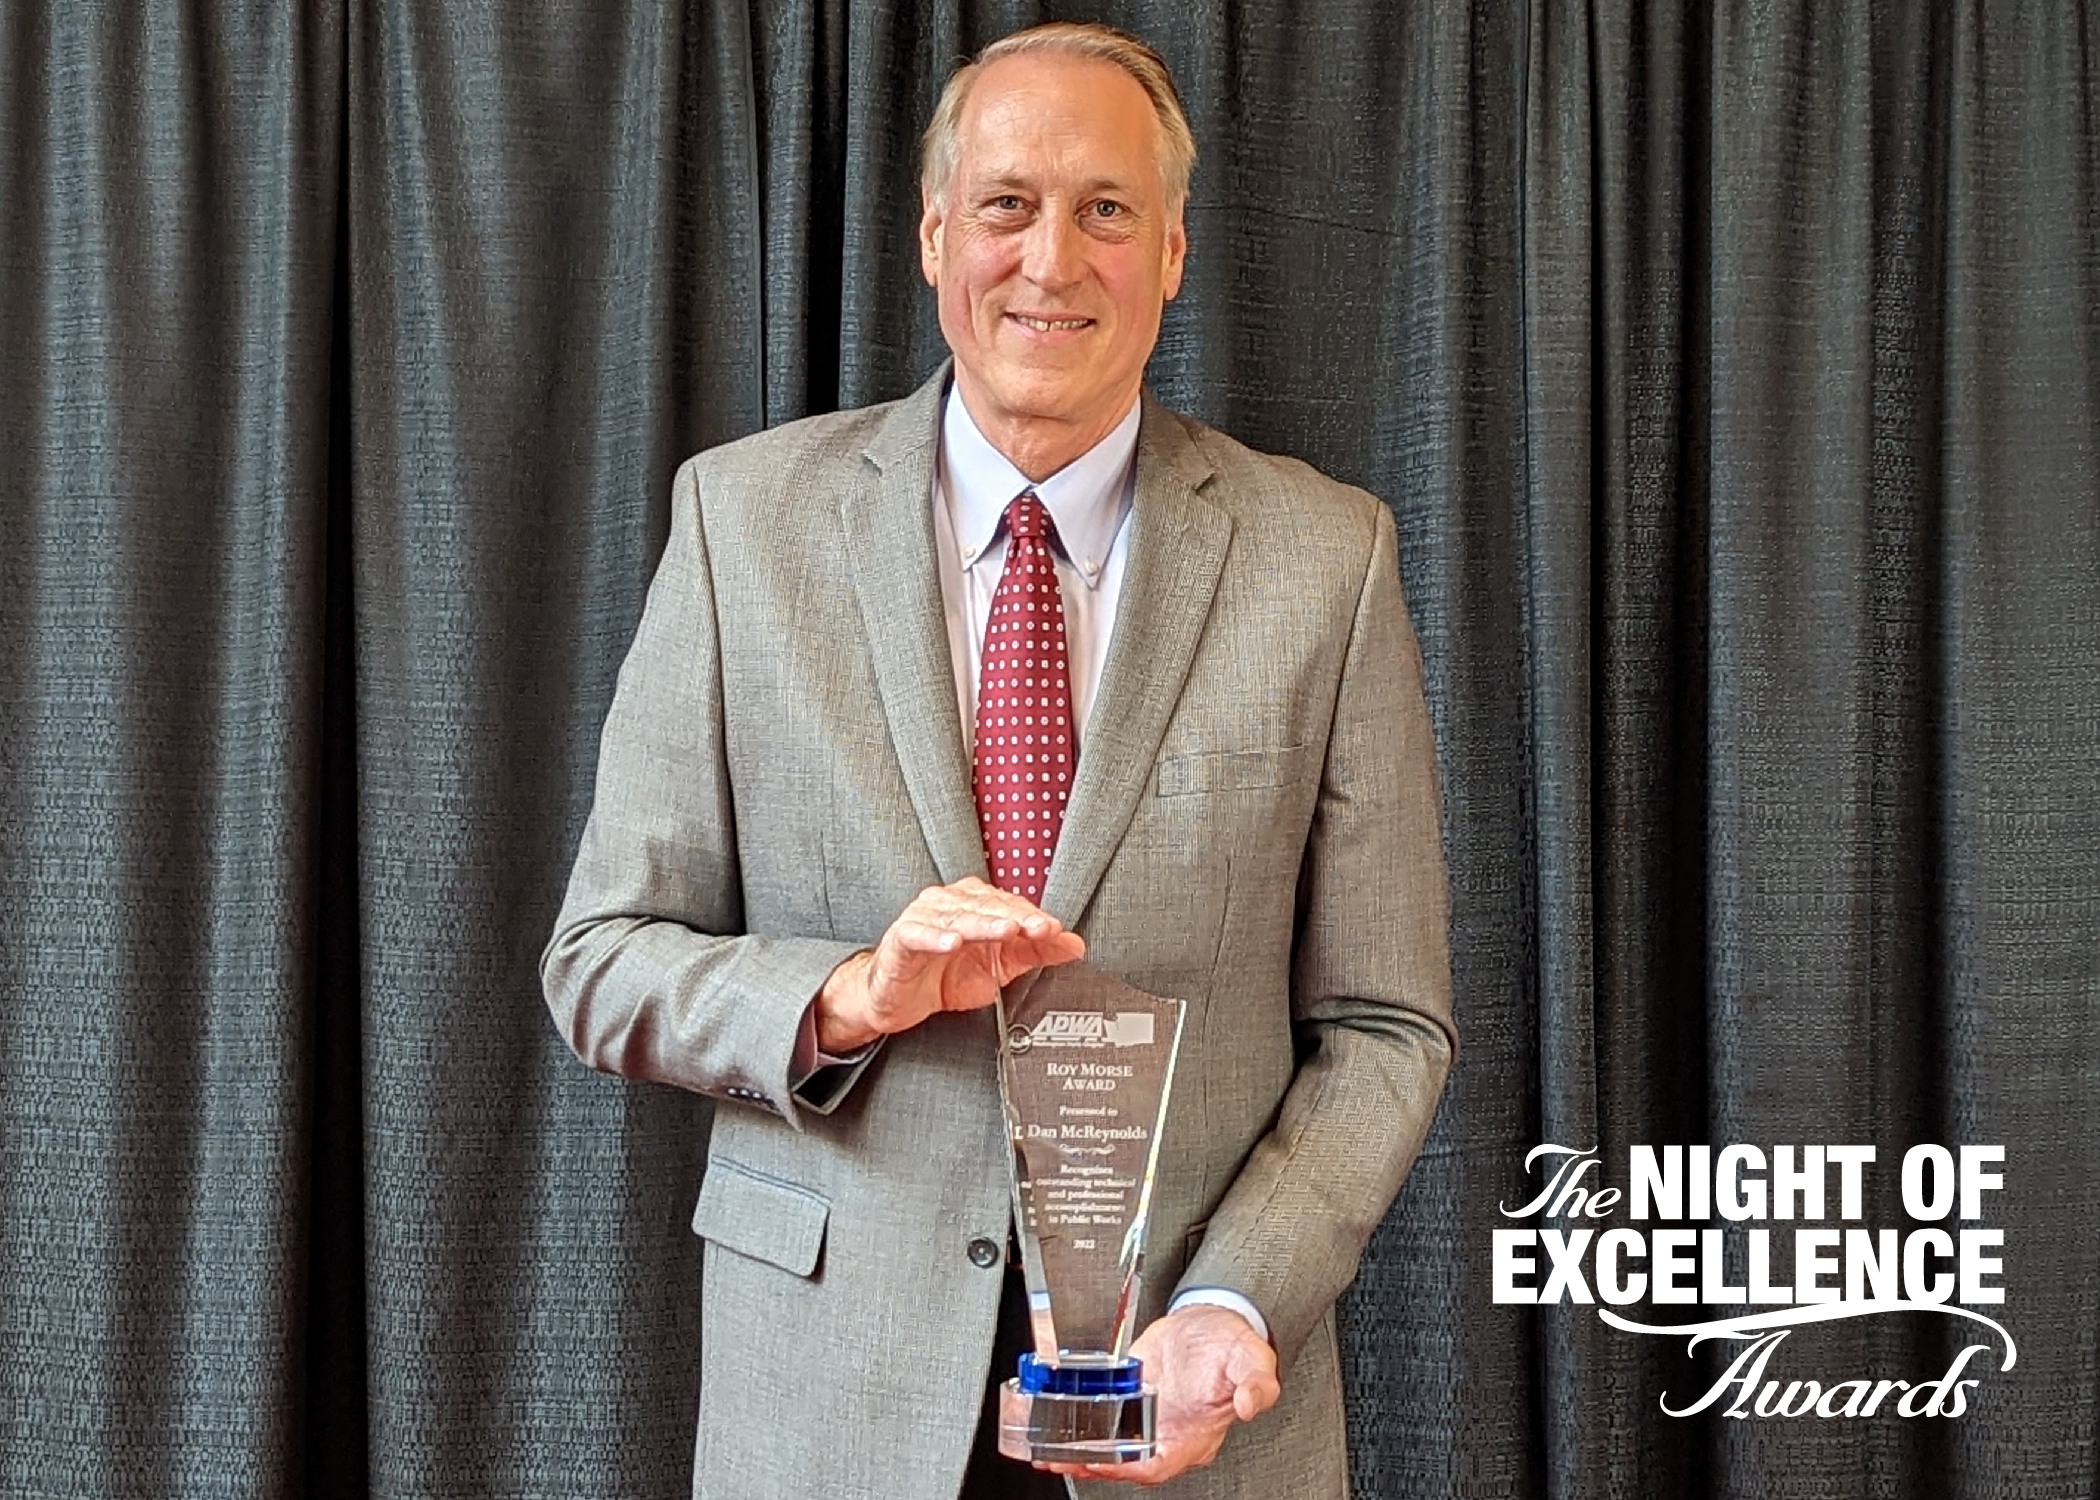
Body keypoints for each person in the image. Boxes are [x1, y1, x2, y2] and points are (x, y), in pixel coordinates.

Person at [542, 21, 1454, 1500]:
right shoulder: (742, 526)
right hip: (829, 1408)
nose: (1051, 259)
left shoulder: (1324, 559)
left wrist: (1236, 1301)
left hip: (1186, 1414)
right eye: (1008, 205)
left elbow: (1384, 1023)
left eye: (1107, 210)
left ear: (1173, 250)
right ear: (933, 236)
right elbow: (601, 962)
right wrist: (850, 995)